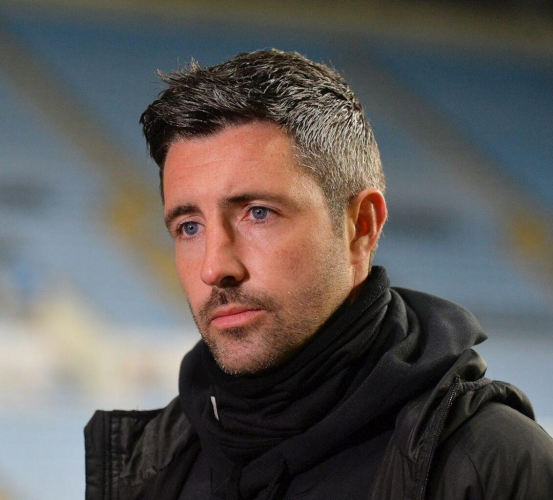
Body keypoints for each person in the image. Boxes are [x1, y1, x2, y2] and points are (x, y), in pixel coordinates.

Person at [84, 49, 553, 499]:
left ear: (361, 226)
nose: (214, 268)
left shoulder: (492, 464)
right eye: (189, 227)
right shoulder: (147, 469)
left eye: (258, 213)